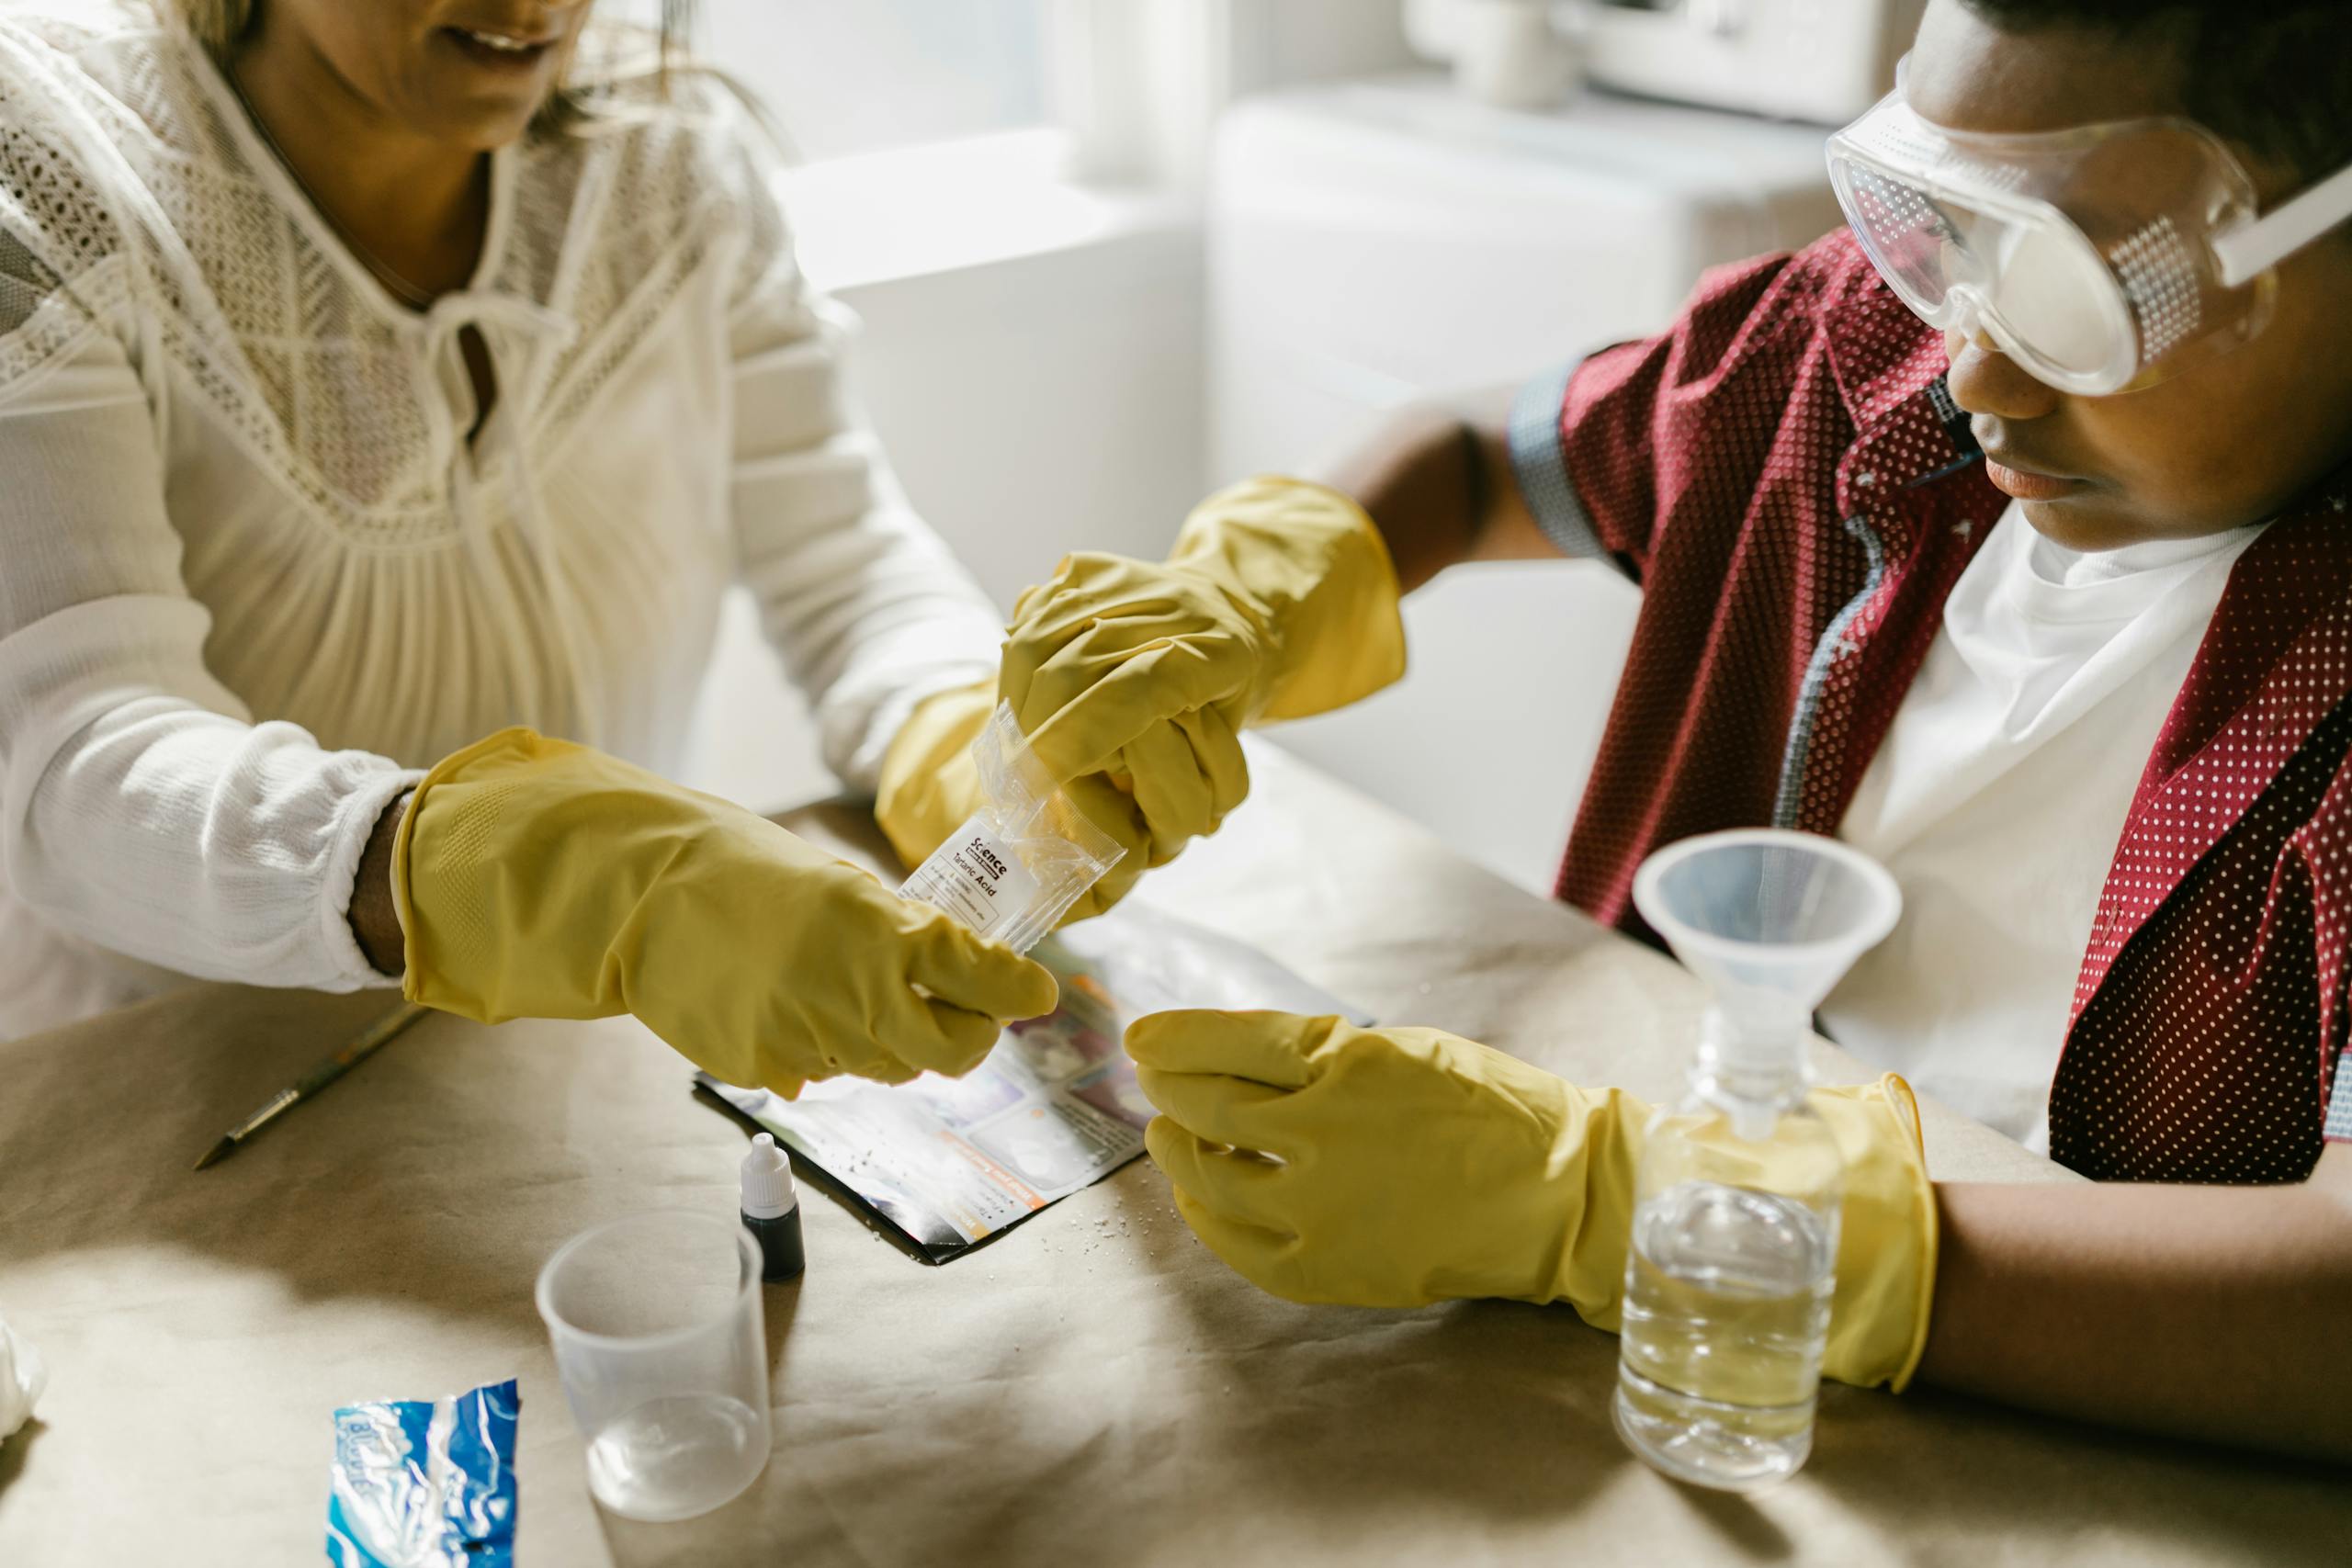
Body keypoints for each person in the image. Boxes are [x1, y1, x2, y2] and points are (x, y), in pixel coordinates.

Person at [972, 0, 2352, 1460]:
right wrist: (1257, 587)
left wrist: (1662, 1216)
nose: (1978, 376)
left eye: (2083, 294)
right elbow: (1467, 455)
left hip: (2077, 1421)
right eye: (1952, 230)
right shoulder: (1860, 361)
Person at [0, 0, 1140, 1089]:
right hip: (174, 1075)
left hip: (577, 1058)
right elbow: (75, 764)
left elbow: (848, 568)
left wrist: (968, 747)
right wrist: (495, 869)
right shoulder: (48, 169)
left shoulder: (670, 153)